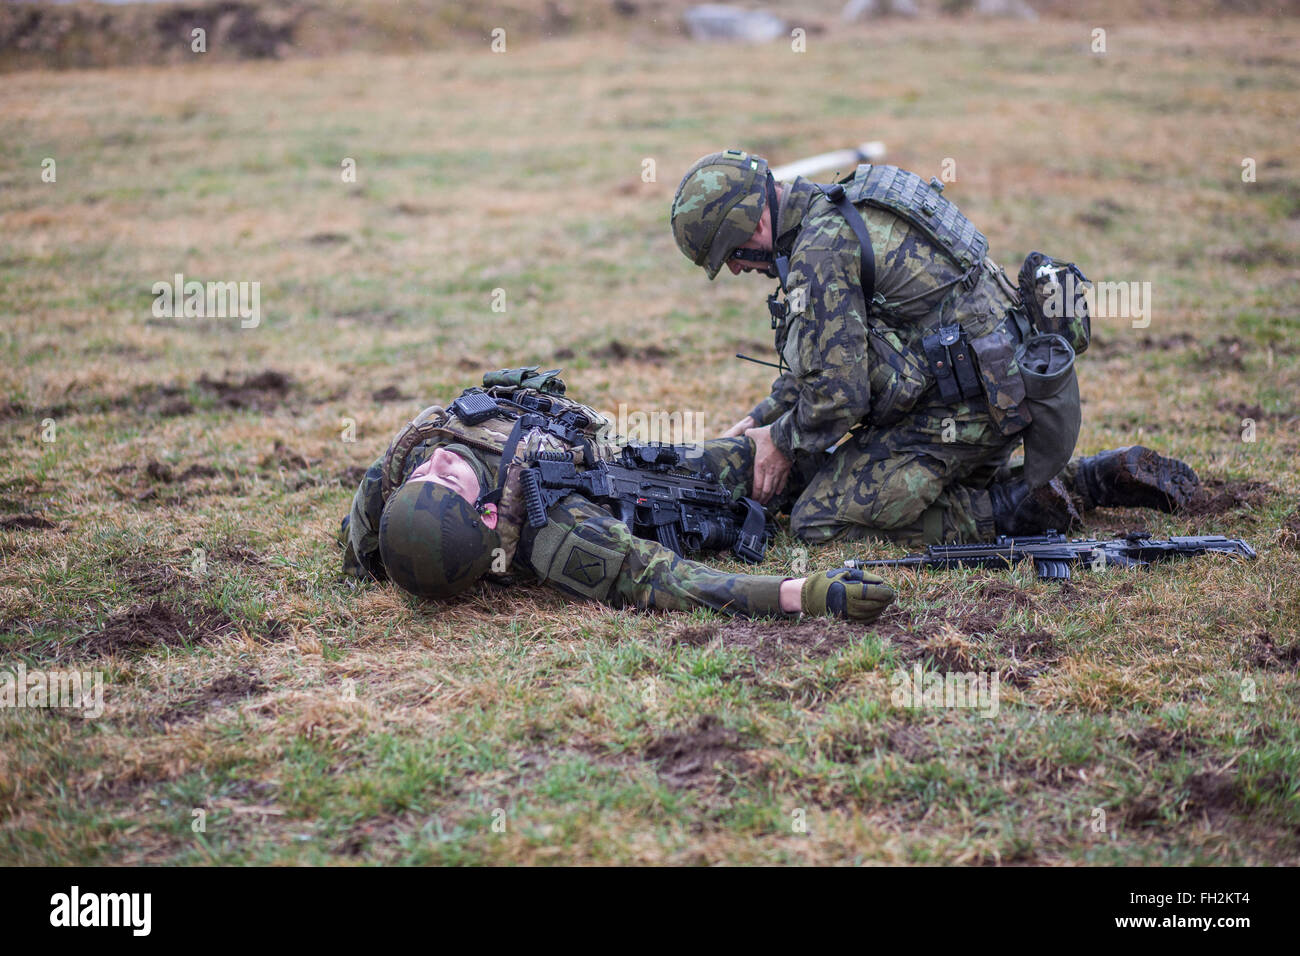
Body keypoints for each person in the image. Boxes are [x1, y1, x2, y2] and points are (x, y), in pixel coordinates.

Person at [670, 149, 1200, 545]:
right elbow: (831, 350)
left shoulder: (818, 252)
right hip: (990, 393)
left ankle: (1018, 509)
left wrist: (779, 441)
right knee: (821, 472)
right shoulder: (847, 202)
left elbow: (839, 399)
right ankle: (1076, 478)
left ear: (754, 224)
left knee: (817, 520)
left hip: (967, 413)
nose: (737, 270)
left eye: (732, 255)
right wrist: (761, 418)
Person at [339, 368, 895, 622]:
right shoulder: (555, 530)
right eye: (447, 478)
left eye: (425, 475)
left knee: (752, 454)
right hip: (619, 482)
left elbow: (359, 546)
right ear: (486, 513)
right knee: (795, 495)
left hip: (599, 446)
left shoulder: (395, 474)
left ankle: (863, 393)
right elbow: (664, 579)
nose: (438, 460)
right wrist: (808, 593)